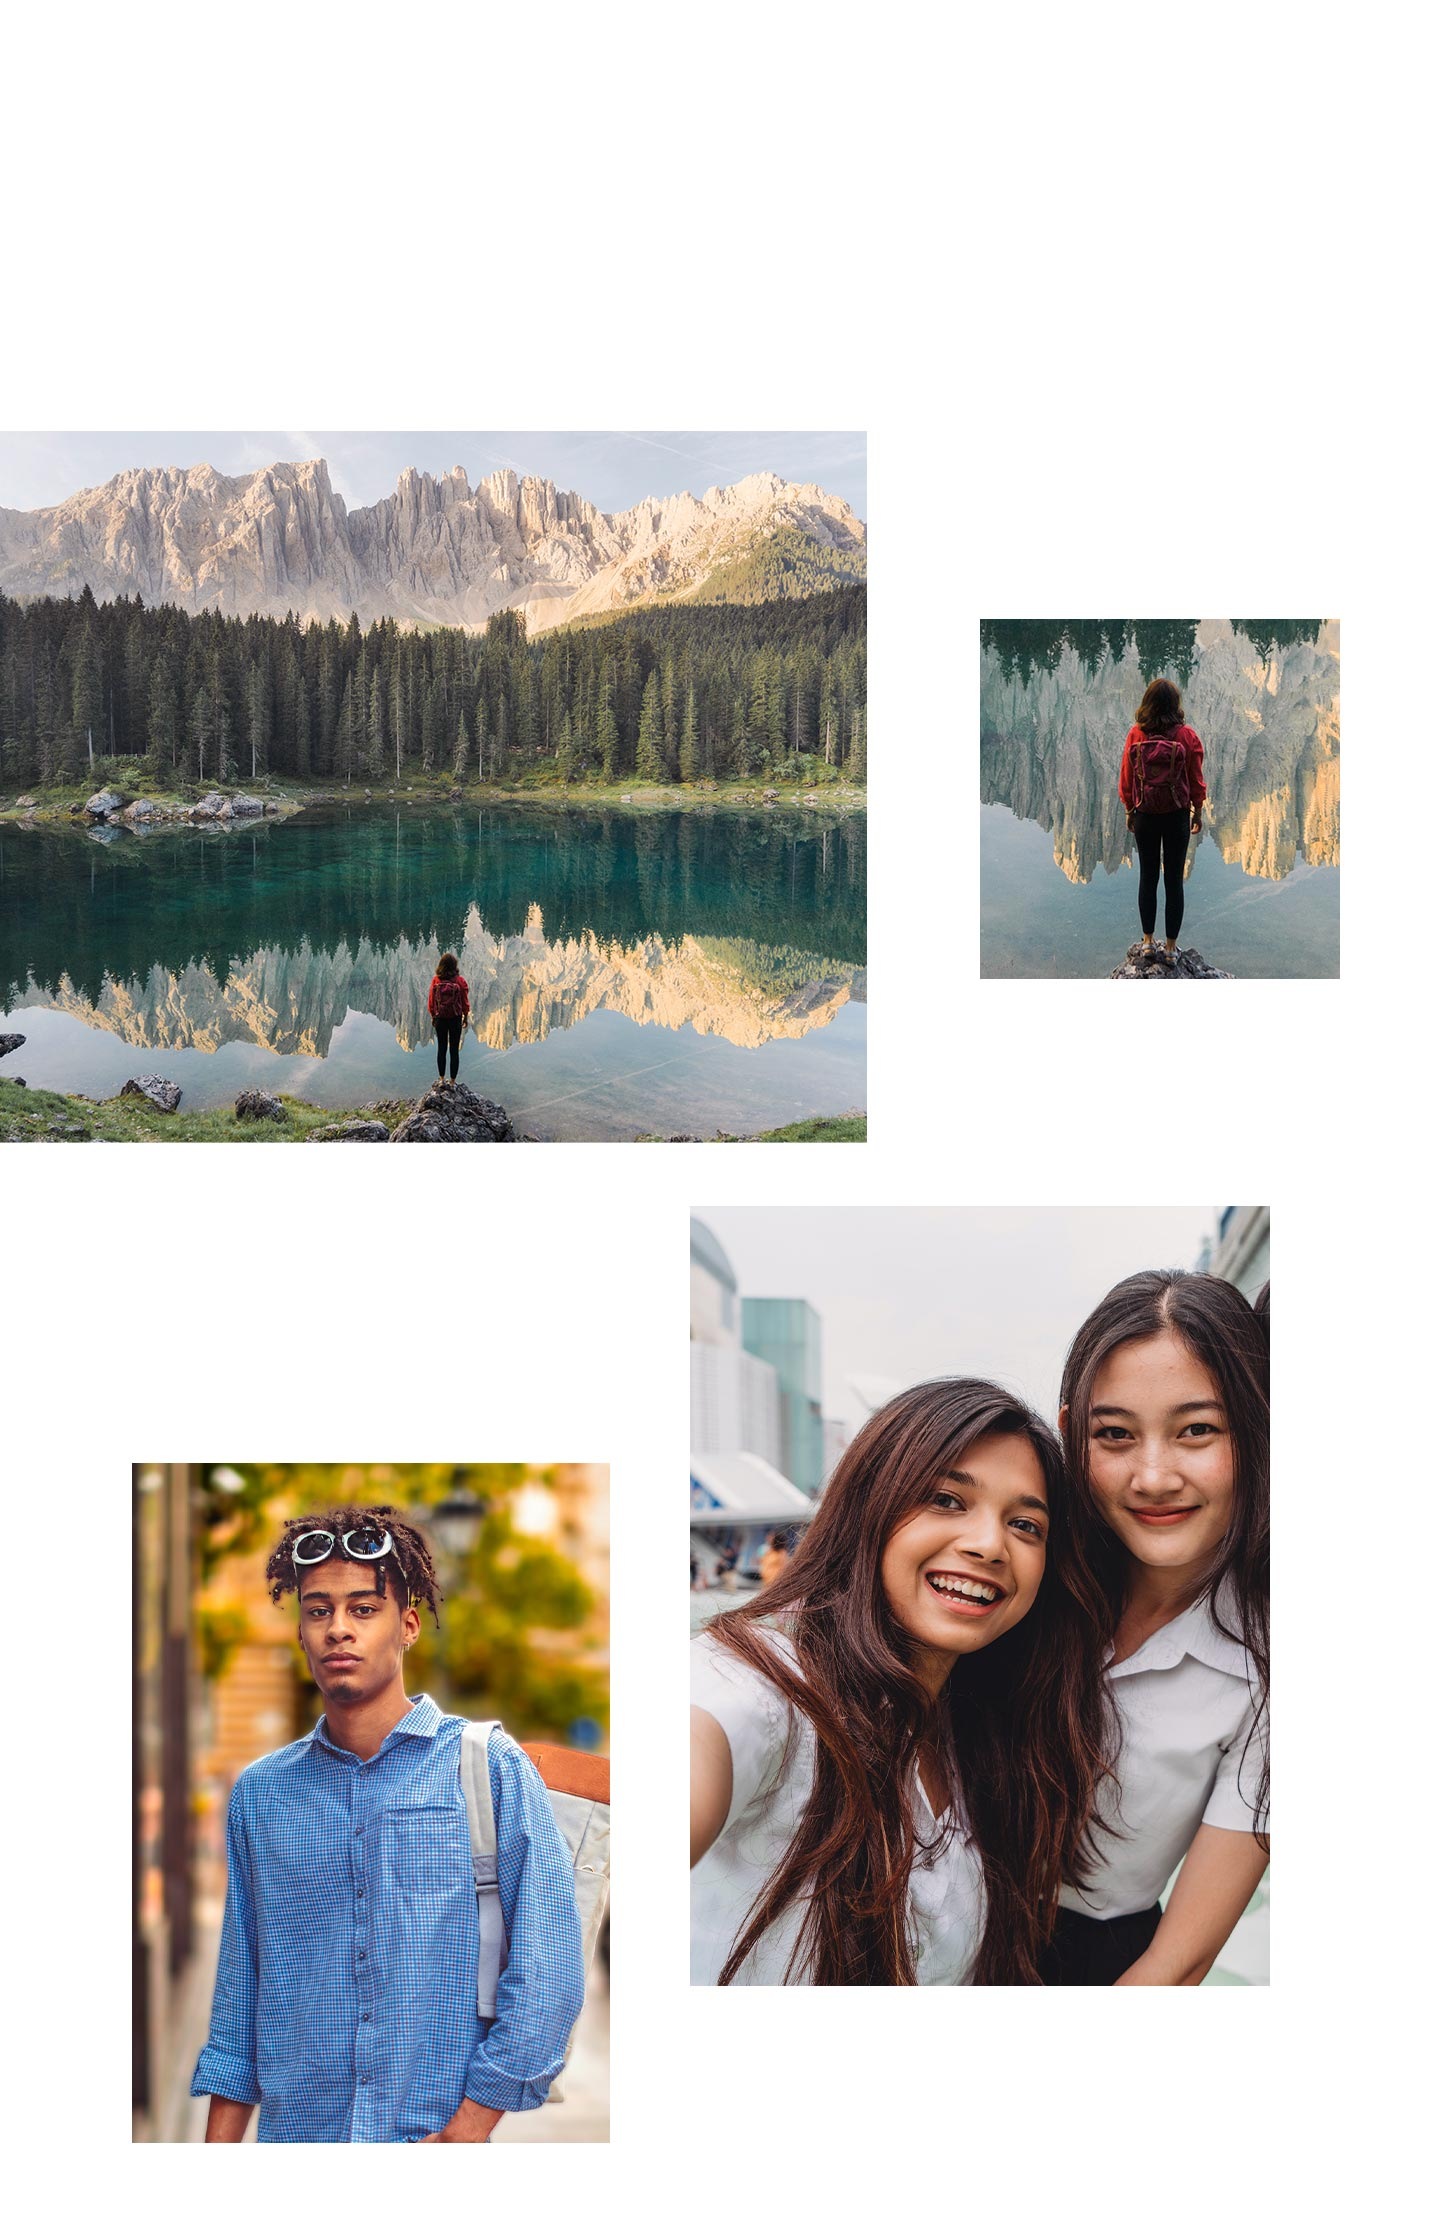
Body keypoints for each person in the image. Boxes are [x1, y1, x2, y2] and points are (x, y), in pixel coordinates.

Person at [690, 1379, 1112, 1985]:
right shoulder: (768, 1684)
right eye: (946, 1499)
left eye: (1025, 1525)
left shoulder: (991, 1739)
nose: (990, 1545)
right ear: (868, 1509)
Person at [191, 1505, 585, 2142]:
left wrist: (468, 2129)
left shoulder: (489, 1770)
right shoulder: (262, 1793)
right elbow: (241, 1991)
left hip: (429, 2136)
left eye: (363, 1609)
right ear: (300, 1632)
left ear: (407, 1626)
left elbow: (548, 1972)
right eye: (318, 1610)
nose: (338, 1629)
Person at [1046, 1271, 1270, 1986]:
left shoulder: (1274, 1669)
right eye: (1114, 1434)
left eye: (1196, 1430)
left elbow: (1180, 1961)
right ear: (1069, 1435)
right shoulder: (1016, 1570)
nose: (1152, 1476)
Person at [1119, 678, 1207, 962]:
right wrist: (1198, 811)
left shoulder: (1136, 734)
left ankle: (1147, 942)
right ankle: (1170, 949)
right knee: (1173, 882)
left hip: (1145, 814)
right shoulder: (1187, 736)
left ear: (1147, 703)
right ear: (1175, 705)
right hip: (1176, 816)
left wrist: (1130, 810)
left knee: (1148, 876)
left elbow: (1126, 779)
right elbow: (1196, 780)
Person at [428, 951, 470, 1082]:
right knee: (454, 1050)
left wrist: (433, 1016)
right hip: (455, 1018)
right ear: (455, 966)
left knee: (441, 1048)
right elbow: (465, 1001)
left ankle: (441, 1079)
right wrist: (466, 1016)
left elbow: (431, 1001)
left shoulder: (436, 980)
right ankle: (452, 1081)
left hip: (440, 1018)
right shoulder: (460, 981)